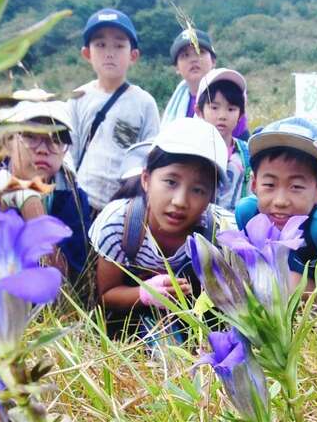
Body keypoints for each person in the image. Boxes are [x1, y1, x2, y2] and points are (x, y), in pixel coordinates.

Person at [89, 118, 235, 338]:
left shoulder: (223, 232)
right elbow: (106, 295)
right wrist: (146, 293)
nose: (180, 201)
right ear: (146, 179)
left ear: (212, 197)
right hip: (131, 330)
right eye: (170, 182)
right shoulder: (119, 224)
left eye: (198, 190)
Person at [0, 91, 91, 286]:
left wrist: (31, 206)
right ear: (7, 141)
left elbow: (67, 286)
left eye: (56, 139)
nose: (43, 149)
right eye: (30, 136)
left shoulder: (73, 197)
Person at [234, 118, 317, 295]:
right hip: (277, 288)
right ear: (254, 185)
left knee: (292, 283)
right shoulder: (247, 213)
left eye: (296, 187)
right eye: (269, 185)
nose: (280, 201)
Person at [68, 8, 160, 216]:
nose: (109, 53)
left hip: (123, 209)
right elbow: (69, 154)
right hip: (81, 203)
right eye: (100, 45)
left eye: (119, 45)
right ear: (87, 53)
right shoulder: (78, 97)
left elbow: (150, 159)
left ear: (133, 55)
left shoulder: (144, 103)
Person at [161, 28, 249, 139]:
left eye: (200, 52)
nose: (193, 59)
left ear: (213, 61)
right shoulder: (177, 103)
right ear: (177, 67)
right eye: (185, 55)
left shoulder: (231, 95)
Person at [195, 68, 250, 211]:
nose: (222, 116)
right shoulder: (191, 151)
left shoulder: (247, 154)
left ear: (240, 114)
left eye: (231, 109)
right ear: (199, 111)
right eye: (214, 107)